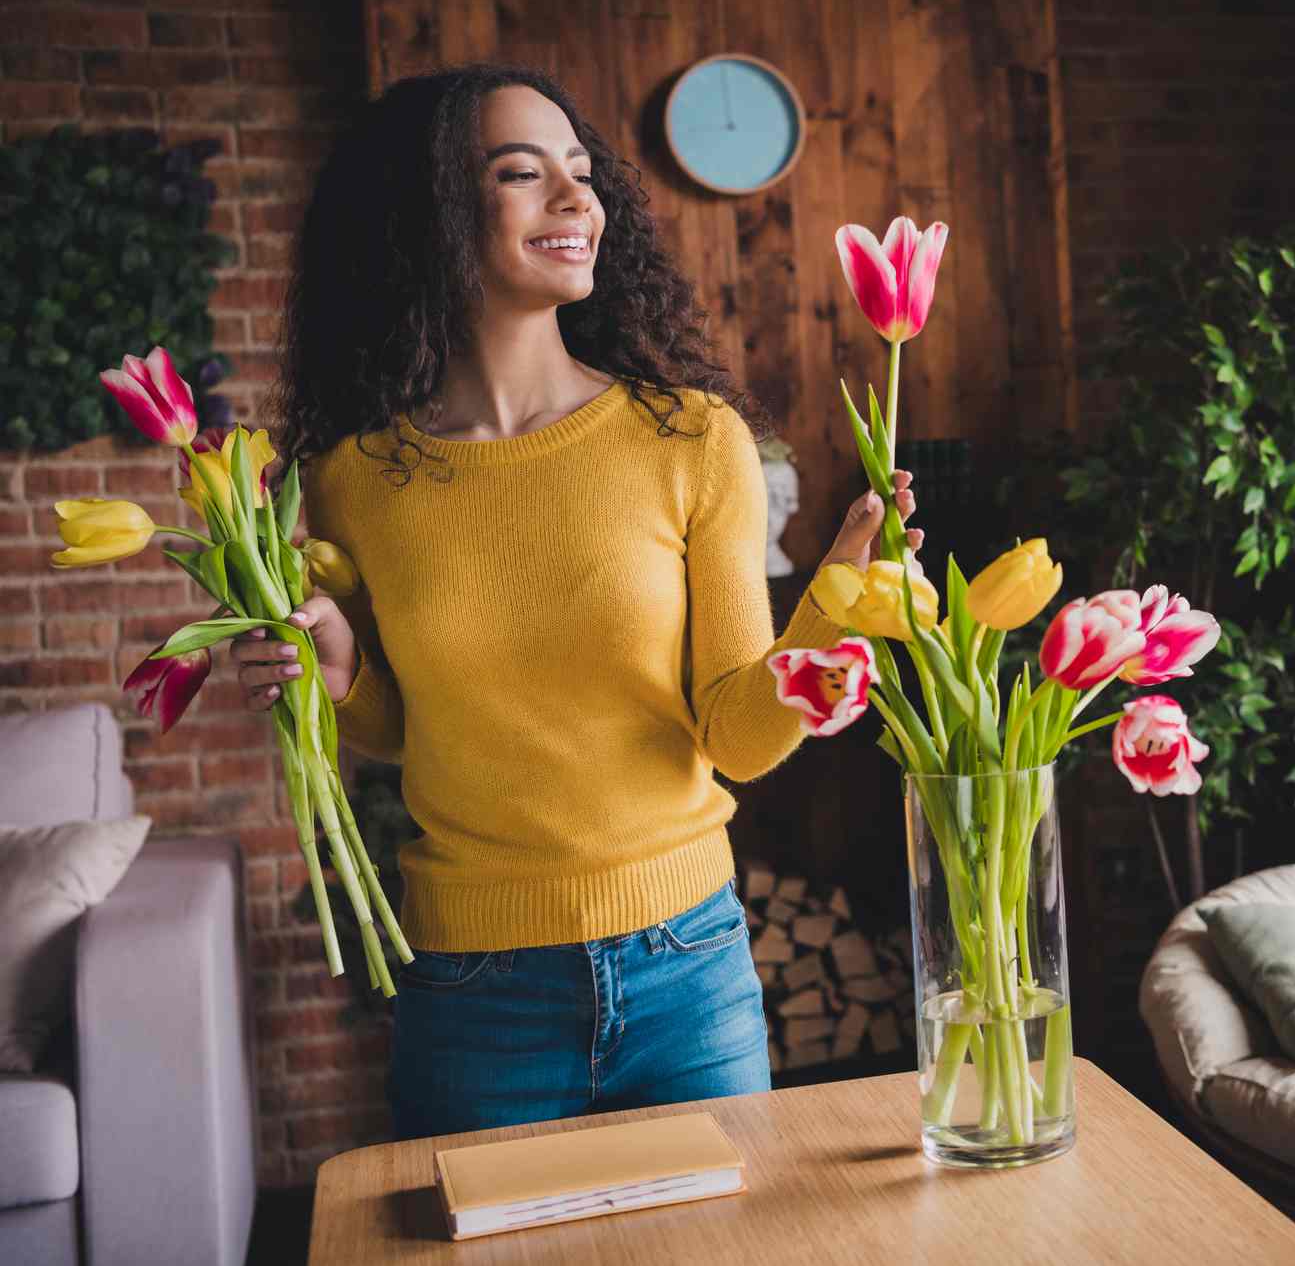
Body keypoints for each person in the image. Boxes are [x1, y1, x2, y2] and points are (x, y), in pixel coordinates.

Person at [227, 65, 920, 1138]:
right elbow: (401, 733)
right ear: (433, 216)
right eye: (522, 172)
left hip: (687, 970)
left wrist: (839, 600)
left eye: (582, 173)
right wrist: (338, 674)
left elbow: (735, 733)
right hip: (470, 990)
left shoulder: (690, 439)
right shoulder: (355, 480)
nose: (576, 198)